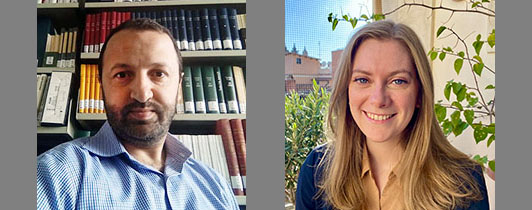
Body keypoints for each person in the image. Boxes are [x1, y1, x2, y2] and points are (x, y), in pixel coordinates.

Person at [37, 18, 239, 210]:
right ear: (101, 87)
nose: (142, 94)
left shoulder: (215, 186)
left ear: (179, 87)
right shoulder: (54, 175)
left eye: (158, 74)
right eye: (122, 75)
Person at [295, 20, 489, 210]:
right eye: (362, 79)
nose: (378, 99)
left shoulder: (465, 181)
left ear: (420, 94)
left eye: (398, 81)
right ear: (346, 89)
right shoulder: (315, 170)